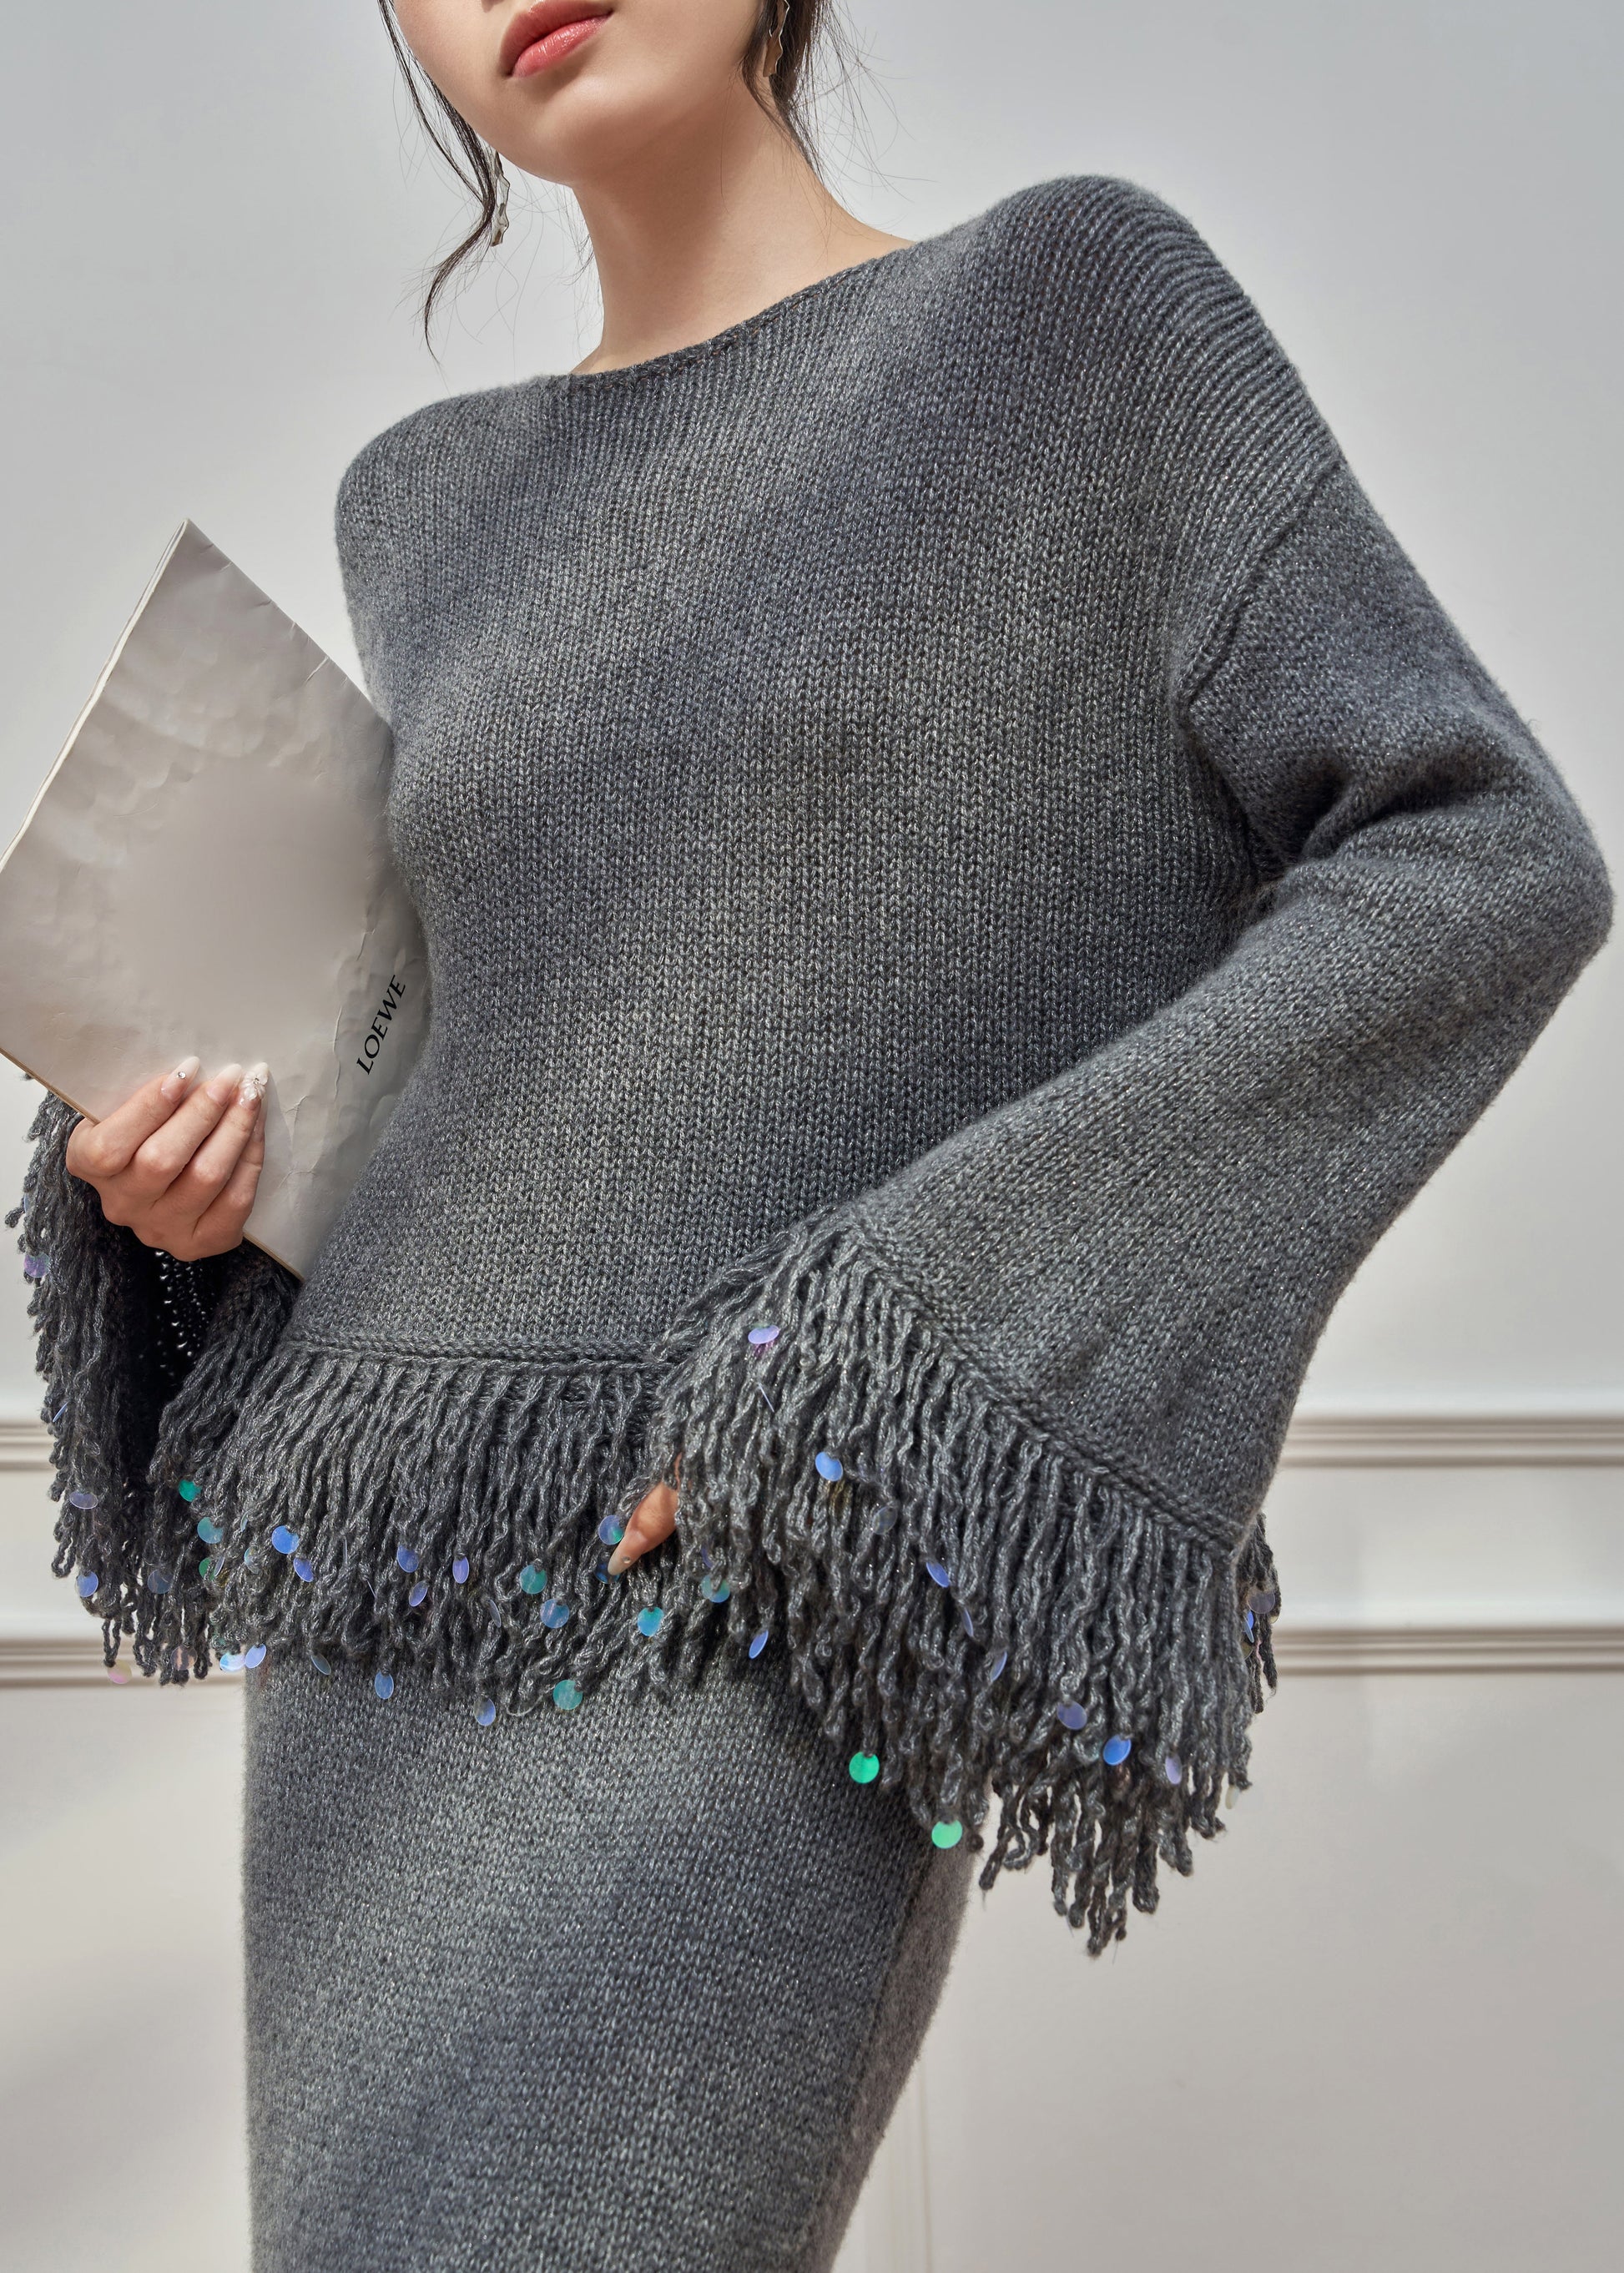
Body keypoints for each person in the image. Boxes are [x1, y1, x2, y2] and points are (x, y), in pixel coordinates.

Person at [11, 4, 1611, 2269]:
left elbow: (1479, 853)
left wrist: (897, 1345)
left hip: (751, 1582)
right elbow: (500, 1065)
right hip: (386, 1639)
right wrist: (182, 1203)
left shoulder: (1068, 312)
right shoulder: (421, 503)